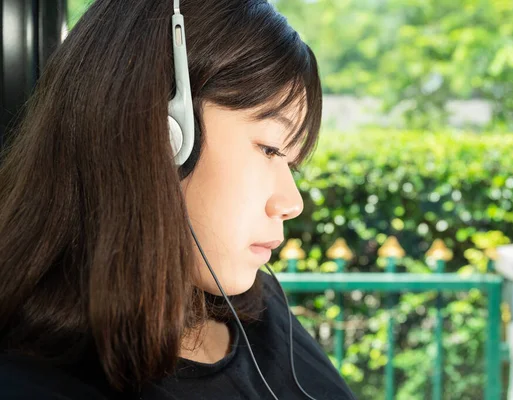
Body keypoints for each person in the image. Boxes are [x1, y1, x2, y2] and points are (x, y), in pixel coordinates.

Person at [0, 0, 358, 399]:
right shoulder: (33, 380)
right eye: (271, 149)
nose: (292, 203)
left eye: (292, 165)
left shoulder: (259, 308)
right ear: (166, 134)